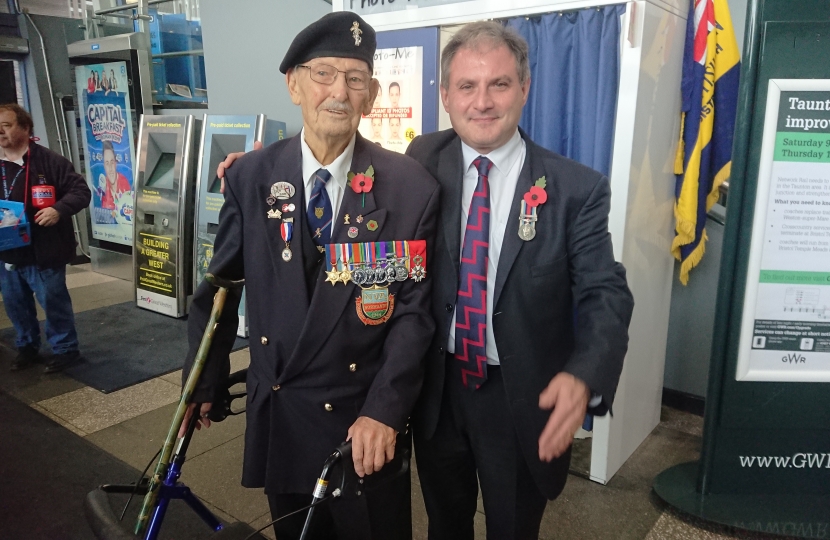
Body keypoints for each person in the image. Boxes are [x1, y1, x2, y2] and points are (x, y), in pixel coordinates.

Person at [182, 12, 439, 540]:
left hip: (361, 425)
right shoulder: (252, 177)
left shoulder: (409, 187)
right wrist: (202, 378)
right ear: (293, 84)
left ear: (369, 95)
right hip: (284, 407)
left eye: (355, 78)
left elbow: (413, 313)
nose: (338, 92)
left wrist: (385, 411)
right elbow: (221, 291)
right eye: (323, 74)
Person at [405, 22, 634, 539]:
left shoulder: (576, 189)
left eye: (500, 84)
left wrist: (585, 373)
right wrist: (259, 170)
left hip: (518, 393)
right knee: (444, 523)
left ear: (524, 88)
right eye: (467, 86)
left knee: (511, 528)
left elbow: (605, 292)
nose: (482, 102)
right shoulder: (422, 159)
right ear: (445, 95)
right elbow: (355, 183)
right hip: (437, 390)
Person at [0, 104, 91, 373]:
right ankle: (27, 346)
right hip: (7, 250)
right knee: (15, 303)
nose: (0, 131)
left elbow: (80, 192)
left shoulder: (51, 162)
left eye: (6, 125)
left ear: (26, 129)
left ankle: (65, 349)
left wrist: (58, 210)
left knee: (53, 301)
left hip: (45, 250)